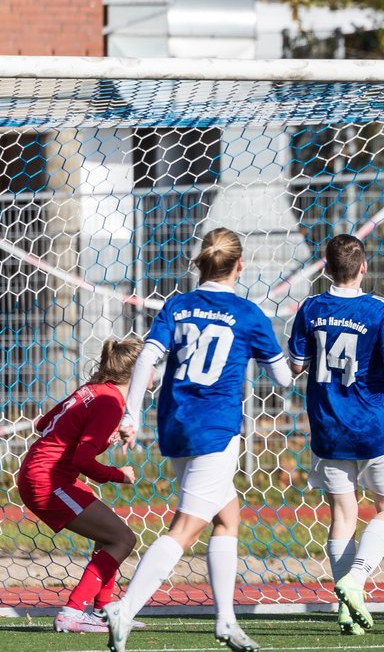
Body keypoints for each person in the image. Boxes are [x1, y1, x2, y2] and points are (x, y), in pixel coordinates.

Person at [105, 228, 296, 652]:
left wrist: (131, 414)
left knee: (228, 516)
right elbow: (283, 376)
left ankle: (226, 621)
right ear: (240, 265)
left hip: (175, 424)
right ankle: (126, 609)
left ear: (200, 263)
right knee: (186, 528)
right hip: (216, 430)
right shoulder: (248, 315)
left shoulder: (178, 305)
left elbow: (148, 357)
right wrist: (298, 353)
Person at [288, 234, 384, 635]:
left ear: (326, 269)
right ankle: (357, 580)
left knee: (343, 515)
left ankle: (346, 608)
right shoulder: (379, 309)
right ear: (363, 267)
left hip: (328, 429)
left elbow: (297, 365)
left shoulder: (310, 308)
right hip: (374, 429)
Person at [17, 338, 143, 634]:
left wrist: (101, 433)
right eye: (150, 365)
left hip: (42, 474)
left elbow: (43, 424)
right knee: (123, 539)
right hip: (48, 481)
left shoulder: (94, 390)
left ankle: (102, 612)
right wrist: (119, 474)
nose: (154, 372)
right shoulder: (111, 401)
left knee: (110, 535)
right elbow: (83, 460)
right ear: (136, 372)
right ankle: (71, 614)